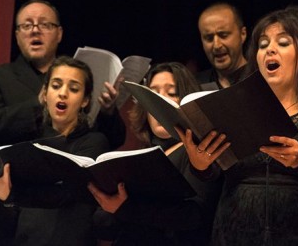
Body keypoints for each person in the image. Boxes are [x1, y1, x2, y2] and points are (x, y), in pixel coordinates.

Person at [180, 5, 298, 245]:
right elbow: (214, 174)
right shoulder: (233, 110)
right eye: (262, 45)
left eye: (283, 43)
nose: (270, 49)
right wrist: (200, 165)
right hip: (235, 233)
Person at [88, 62, 222, 245]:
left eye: (172, 93)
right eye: (153, 94)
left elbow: (193, 216)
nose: (160, 101)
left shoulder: (200, 153)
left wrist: (126, 209)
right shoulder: (141, 155)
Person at [0, 56, 110, 246]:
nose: (63, 93)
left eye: (74, 89)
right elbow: (8, 218)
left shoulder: (94, 143)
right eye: (56, 86)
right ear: (45, 93)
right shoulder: (28, 143)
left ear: (85, 101)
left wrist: (12, 193)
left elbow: (66, 193)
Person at [0, 0, 63, 147]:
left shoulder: (74, 79)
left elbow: (109, 137)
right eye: (27, 26)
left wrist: (107, 111)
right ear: (17, 36)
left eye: (44, 24)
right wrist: (38, 104)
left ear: (59, 34)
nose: (35, 31)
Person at [196, 2, 248, 89]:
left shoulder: (263, 79)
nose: (216, 45)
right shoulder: (195, 86)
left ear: (242, 34)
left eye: (223, 35)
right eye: (209, 38)